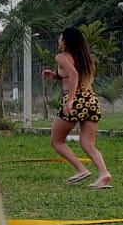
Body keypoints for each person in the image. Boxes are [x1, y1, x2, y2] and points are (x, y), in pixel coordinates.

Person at [42, 25, 111, 189]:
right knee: (87, 143)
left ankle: (81, 169)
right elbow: (73, 77)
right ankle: (104, 173)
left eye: (60, 37)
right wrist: (56, 76)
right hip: (91, 100)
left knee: (57, 141)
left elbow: (74, 75)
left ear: (65, 41)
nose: (58, 40)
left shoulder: (61, 57)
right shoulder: (85, 58)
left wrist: (70, 100)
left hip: (76, 100)